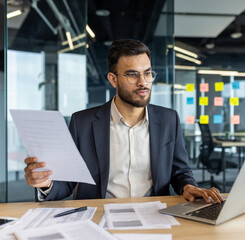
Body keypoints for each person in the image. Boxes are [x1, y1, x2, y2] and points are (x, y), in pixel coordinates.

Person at [24, 39, 223, 203]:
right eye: (132, 75)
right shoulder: (82, 122)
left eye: (147, 73)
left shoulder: (168, 119)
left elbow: (180, 170)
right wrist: (45, 183)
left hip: (156, 215)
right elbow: (67, 183)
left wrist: (188, 186)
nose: (142, 82)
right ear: (113, 79)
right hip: (99, 218)